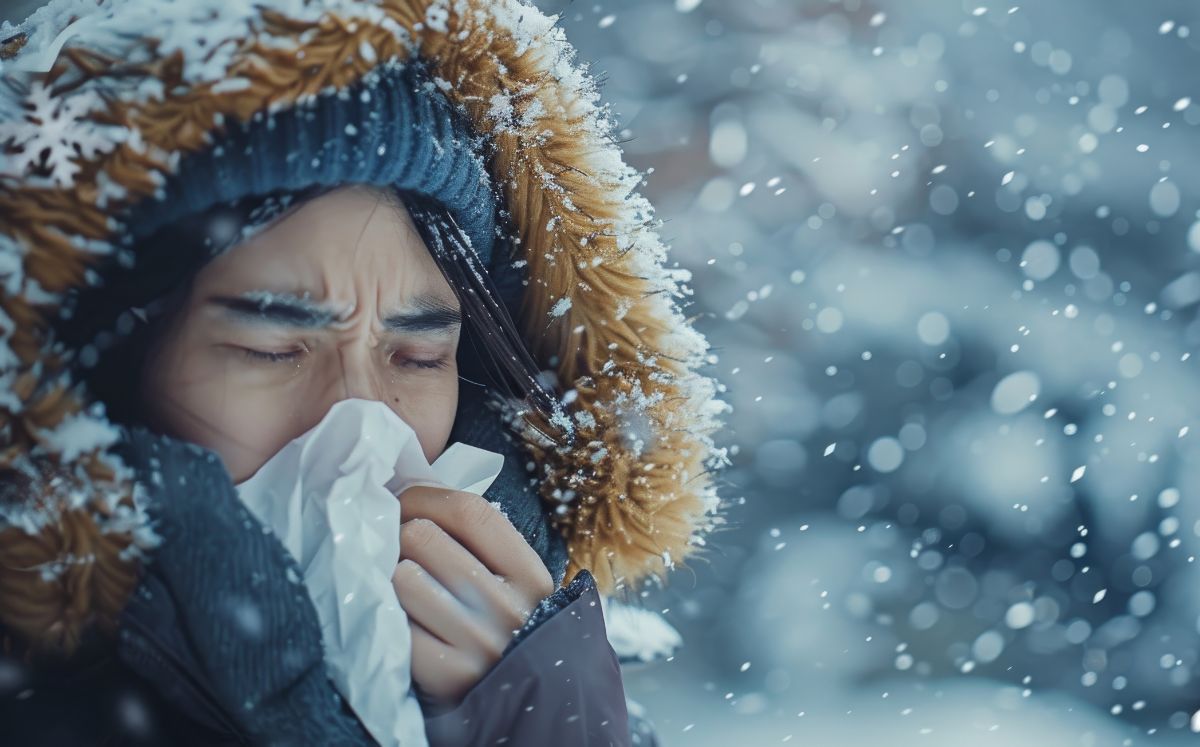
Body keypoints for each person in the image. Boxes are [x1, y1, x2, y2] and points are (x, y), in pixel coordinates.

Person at [0, 0, 728, 744]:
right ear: (105, 365)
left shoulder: (553, 686)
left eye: (418, 356)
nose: (362, 418)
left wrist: (542, 716)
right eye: (271, 348)